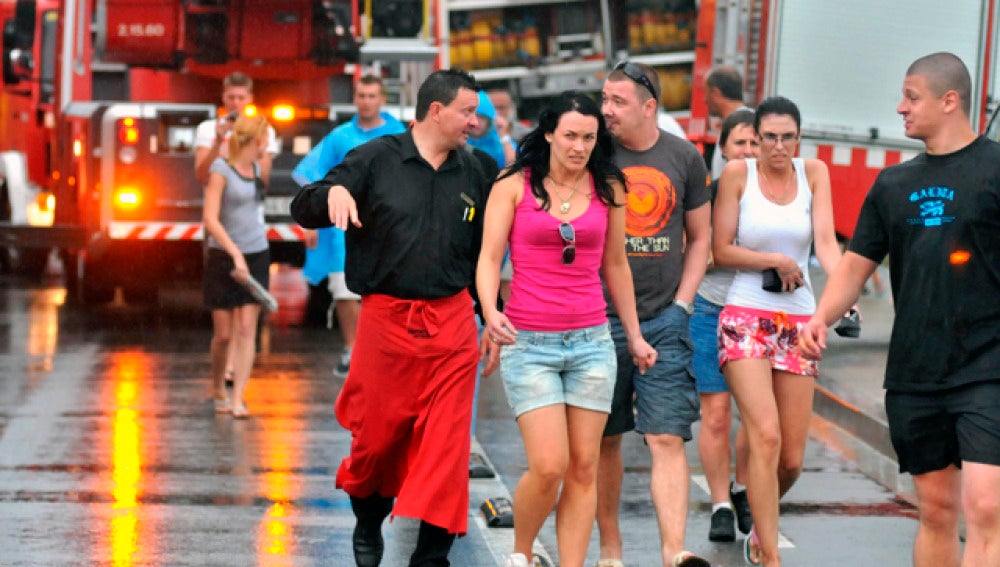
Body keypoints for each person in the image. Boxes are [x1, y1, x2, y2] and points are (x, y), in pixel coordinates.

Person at [800, 52, 1000, 567]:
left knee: (985, 507)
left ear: (949, 100)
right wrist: (820, 317)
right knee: (935, 511)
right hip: (915, 373)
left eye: (911, 97)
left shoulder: (997, 168)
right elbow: (853, 266)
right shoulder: (892, 185)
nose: (900, 108)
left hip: (987, 369)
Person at [290, 68, 495, 567]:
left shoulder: (479, 171)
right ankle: (368, 515)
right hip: (385, 323)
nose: (476, 122)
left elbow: (492, 251)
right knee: (377, 442)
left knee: (446, 446)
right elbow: (304, 205)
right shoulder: (374, 159)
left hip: (452, 324)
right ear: (436, 110)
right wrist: (330, 194)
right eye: (468, 112)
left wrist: (493, 317)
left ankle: (431, 556)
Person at [476, 91, 657, 567]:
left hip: (592, 342)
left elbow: (616, 265)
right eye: (571, 135)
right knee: (550, 463)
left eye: (590, 138)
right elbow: (490, 257)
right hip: (528, 342)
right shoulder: (513, 183)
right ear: (550, 132)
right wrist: (490, 312)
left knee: (583, 467)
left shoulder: (610, 187)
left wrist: (635, 336)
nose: (579, 146)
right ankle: (521, 552)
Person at [712, 96, 842, 566]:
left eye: (789, 137)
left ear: (800, 138)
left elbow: (825, 243)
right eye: (770, 137)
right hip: (746, 314)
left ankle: (758, 512)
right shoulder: (737, 175)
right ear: (758, 136)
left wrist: (841, 294)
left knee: (790, 460)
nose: (779, 146)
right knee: (764, 436)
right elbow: (720, 249)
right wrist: (775, 259)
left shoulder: (815, 174)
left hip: (800, 320)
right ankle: (770, 554)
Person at [597, 60, 712, 567]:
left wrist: (684, 305)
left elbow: (701, 237)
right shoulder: (594, 154)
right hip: (597, 319)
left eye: (618, 102)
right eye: (604, 99)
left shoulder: (684, 157)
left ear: (649, 107)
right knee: (605, 441)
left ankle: (673, 553)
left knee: (667, 435)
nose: (607, 110)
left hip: (664, 318)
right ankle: (611, 549)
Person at [292, 75, 406, 377]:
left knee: (386, 295)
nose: (366, 101)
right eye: (361, 95)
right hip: (344, 229)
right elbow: (315, 174)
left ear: (382, 99)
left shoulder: (398, 134)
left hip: (387, 228)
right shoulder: (340, 136)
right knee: (344, 293)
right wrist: (311, 221)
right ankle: (352, 350)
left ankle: (382, 352)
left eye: (371, 95)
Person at [691, 109, 757, 543]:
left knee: (756, 417)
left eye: (755, 143)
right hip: (711, 310)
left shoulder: (781, 198)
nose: (749, 152)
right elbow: (693, 253)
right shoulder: (707, 196)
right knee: (715, 416)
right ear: (723, 148)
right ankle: (719, 504)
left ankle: (743, 489)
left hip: (759, 315)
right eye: (740, 143)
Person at [194, 71, 280, 384]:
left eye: (241, 98)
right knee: (225, 325)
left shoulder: (263, 131)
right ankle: (222, 367)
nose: (236, 103)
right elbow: (201, 174)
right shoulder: (208, 130)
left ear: (250, 99)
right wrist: (220, 139)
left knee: (247, 322)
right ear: (223, 98)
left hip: (251, 228)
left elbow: (264, 181)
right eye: (230, 97)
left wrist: (258, 148)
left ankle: (234, 374)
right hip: (220, 223)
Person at [201, 114, 272, 419]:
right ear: (255, 141)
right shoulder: (221, 170)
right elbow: (210, 218)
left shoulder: (256, 169)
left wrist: (246, 255)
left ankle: (239, 397)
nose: (267, 145)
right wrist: (234, 254)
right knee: (224, 335)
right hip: (223, 256)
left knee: (247, 328)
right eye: (265, 139)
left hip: (256, 252)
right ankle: (218, 385)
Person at [705, 66, 751, 179]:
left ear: (715, 94)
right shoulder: (743, 122)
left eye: (706, 94)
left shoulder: (745, 125)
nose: (704, 100)